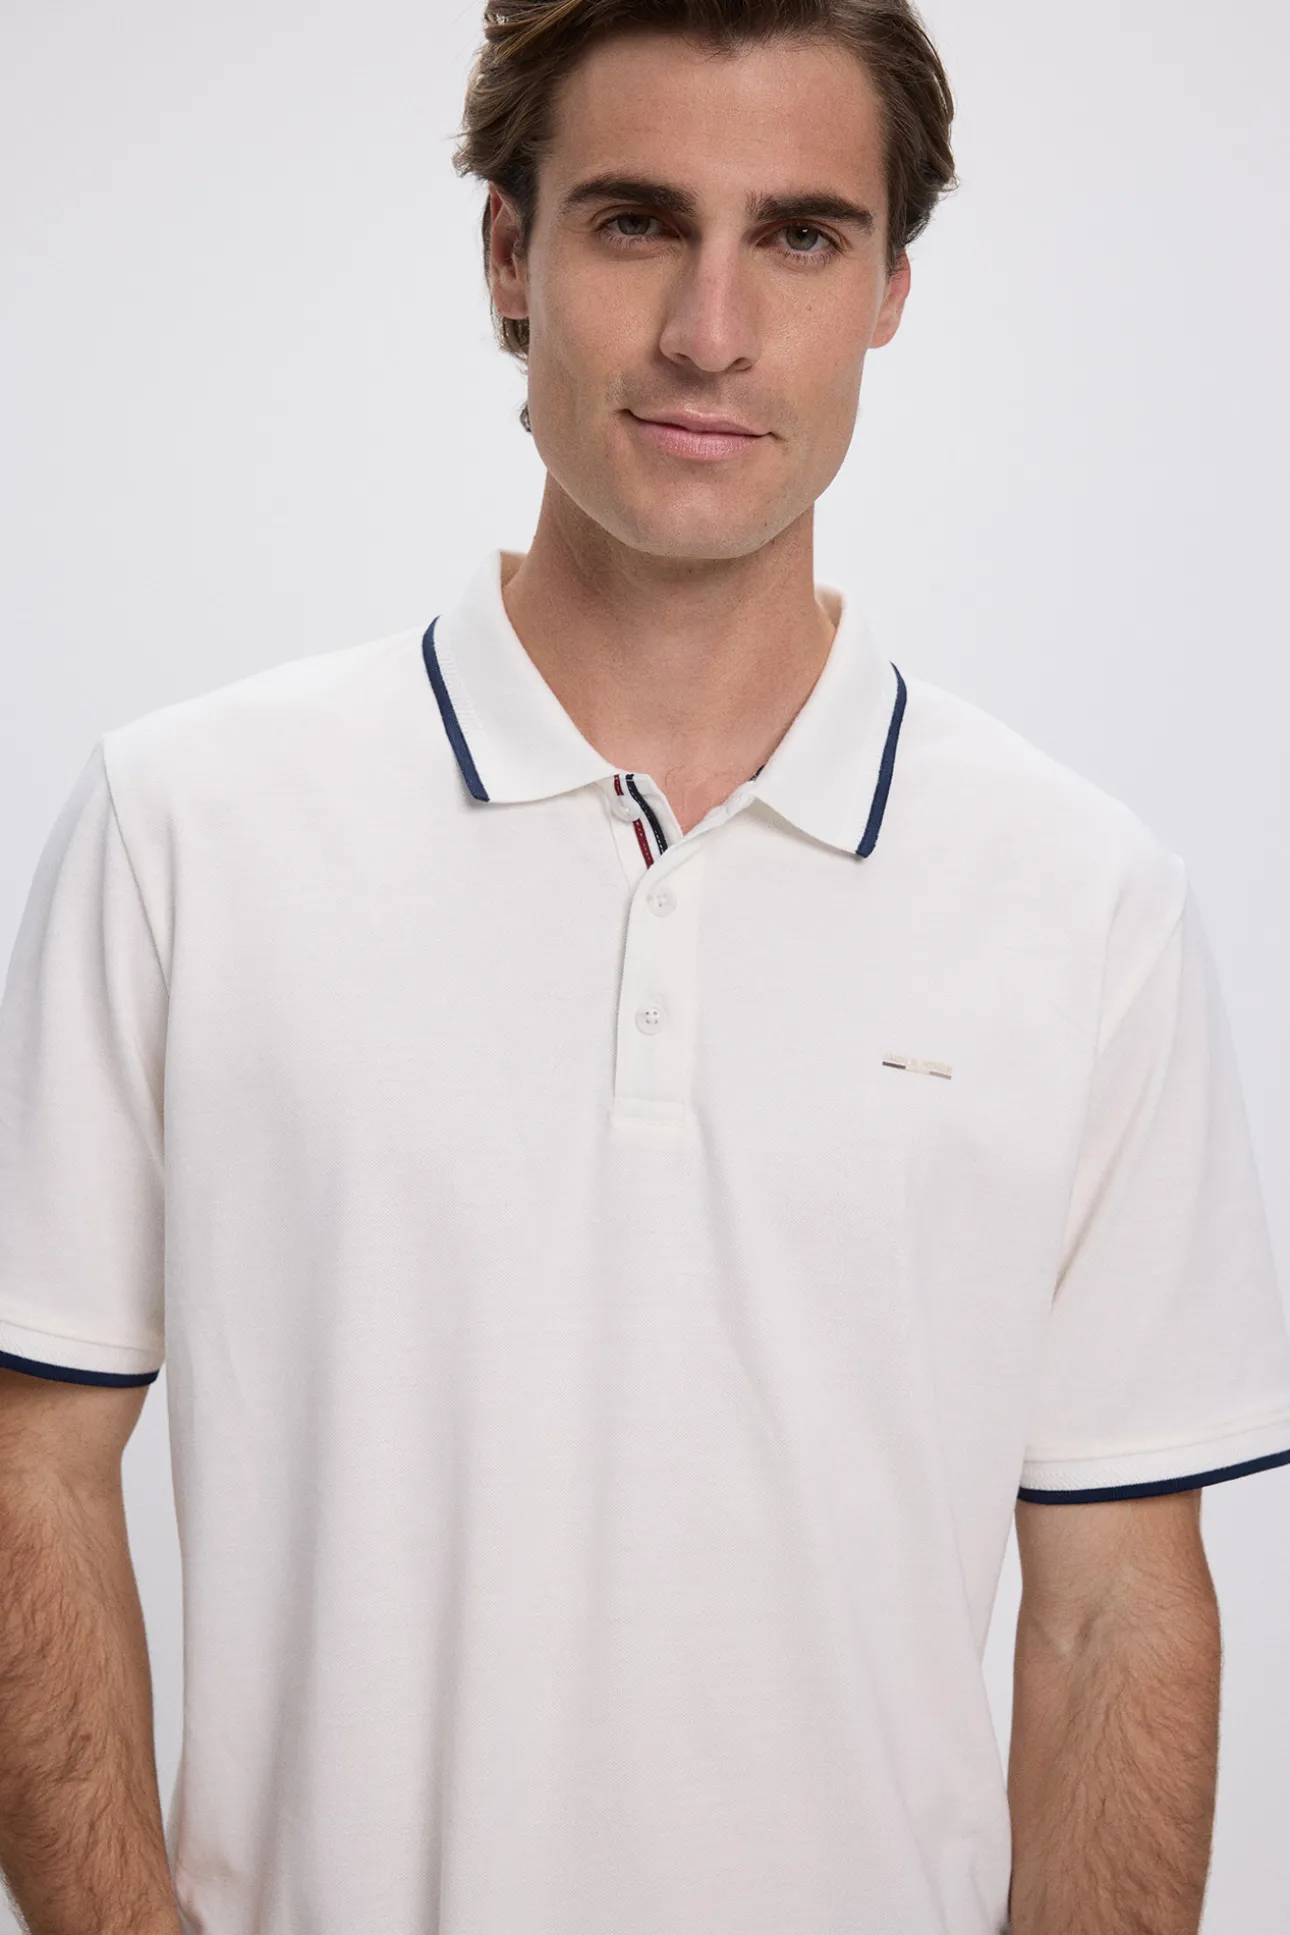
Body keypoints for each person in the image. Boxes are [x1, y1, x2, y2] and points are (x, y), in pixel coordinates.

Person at [1, 2, 1287, 1931]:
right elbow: (31, 1468)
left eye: (800, 235)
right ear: (507, 255)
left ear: (889, 290)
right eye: (633, 222)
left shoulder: (1084, 900)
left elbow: (1116, 1606)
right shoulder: (184, 826)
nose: (710, 330)